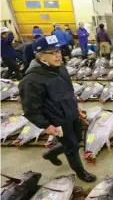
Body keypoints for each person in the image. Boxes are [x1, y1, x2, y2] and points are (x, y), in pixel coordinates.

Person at [19, 35, 96, 182]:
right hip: (58, 120)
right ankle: (81, 173)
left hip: (71, 113)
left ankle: (51, 154)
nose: (58, 55)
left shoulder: (60, 68)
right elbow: (30, 110)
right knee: (72, 147)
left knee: (78, 139)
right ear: (41, 56)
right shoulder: (31, 80)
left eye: (58, 51)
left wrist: (75, 105)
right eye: (52, 52)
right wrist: (46, 126)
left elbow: (68, 90)